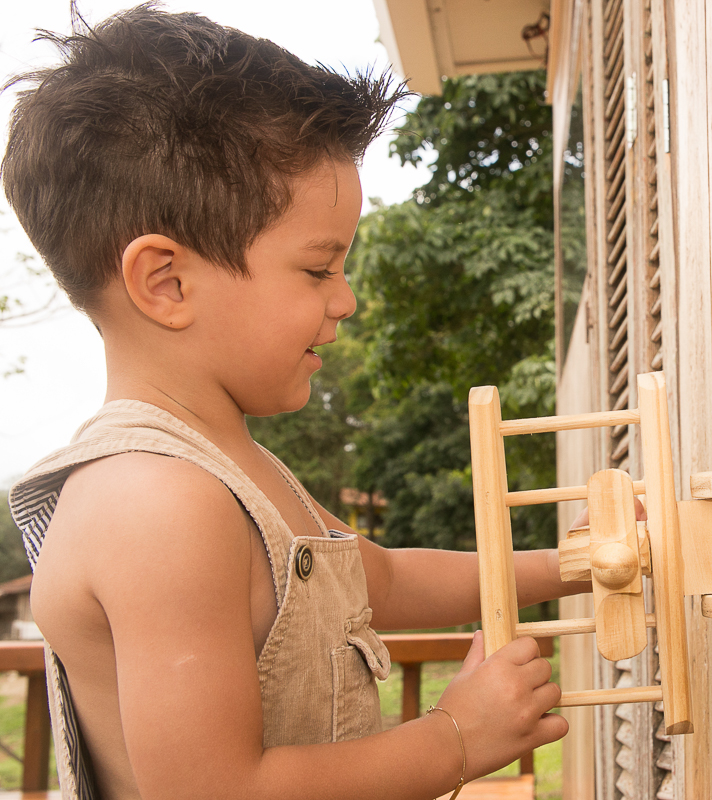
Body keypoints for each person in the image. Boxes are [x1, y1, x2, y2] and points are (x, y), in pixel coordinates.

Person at [3, 5, 588, 798]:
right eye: (318, 270)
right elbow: (217, 790)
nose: (345, 300)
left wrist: (565, 568)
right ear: (166, 283)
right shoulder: (154, 503)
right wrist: (454, 738)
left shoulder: (229, 469)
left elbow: (373, 580)